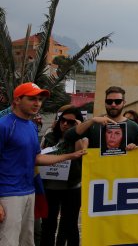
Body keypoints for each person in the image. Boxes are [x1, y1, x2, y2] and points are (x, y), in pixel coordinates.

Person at [0, 83, 85, 246]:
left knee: (27, 241)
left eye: (40, 99)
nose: (37, 103)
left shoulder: (31, 126)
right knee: (8, 241)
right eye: (32, 99)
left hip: (29, 191)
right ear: (17, 100)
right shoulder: (4, 125)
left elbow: (37, 158)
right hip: (8, 194)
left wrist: (70, 156)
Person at [40, 108, 86, 246]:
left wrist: (77, 131)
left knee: (70, 226)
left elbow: (81, 153)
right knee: (48, 225)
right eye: (63, 120)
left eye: (70, 122)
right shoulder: (49, 135)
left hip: (71, 187)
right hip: (50, 186)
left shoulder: (82, 138)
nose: (65, 124)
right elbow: (40, 153)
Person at [64, 86, 138, 149]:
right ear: (105, 102)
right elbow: (68, 136)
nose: (113, 105)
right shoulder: (94, 124)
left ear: (124, 103)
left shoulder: (134, 127)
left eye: (118, 101)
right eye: (109, 101)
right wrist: (92, 120)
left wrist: (134, 148)